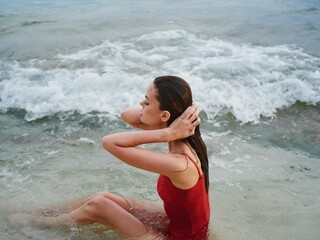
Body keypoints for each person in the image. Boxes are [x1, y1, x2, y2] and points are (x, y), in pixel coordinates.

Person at [8, 76, 210, 240]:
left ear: (165, 116)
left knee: (99, 206)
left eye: (146, 102)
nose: (141, 104)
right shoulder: (184, 139)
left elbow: (110, 142)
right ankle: (39, 212)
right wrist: (169, 127)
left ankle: (36, 224)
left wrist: (166, 134)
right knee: (105, 197)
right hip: (175, 225)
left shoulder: (180, 163)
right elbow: (126, 115)